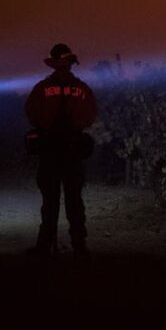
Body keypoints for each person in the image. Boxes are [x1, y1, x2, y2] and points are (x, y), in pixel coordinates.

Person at [25, 43, 97, 257]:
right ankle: (79, 245)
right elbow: (91, 116)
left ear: (54, 64)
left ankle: (45, 246)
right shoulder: (82, 89)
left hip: (49, 152)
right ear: (71, 64)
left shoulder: (41, 89)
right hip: (73, 152)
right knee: (74, 200)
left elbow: (31, 114)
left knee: (50, 202)